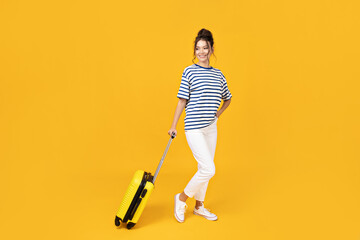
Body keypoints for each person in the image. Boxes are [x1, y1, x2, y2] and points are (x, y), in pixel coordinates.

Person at [168, 28, 232, 223]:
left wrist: (218, 114)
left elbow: (227, 98)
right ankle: (181, 198)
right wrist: (173, 125)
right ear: (195, 51)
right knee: (208, 168)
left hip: (210, 128)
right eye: (198, 48)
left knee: (204, 167)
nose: (201, 52)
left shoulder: (219, 75)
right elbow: (182, 101)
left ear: (211, 49)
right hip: (193, 127)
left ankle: (199, 206)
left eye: (205, 48)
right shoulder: (189, 71)